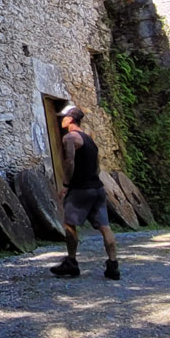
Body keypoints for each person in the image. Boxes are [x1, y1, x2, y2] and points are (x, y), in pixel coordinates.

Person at [49, 105, 120, 280]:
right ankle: (113, 265)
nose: (62, 120)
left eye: (64, 117)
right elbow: (96, 166)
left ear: (70, 119)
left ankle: (71, 262)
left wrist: (66, 184)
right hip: (97, 188)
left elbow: (69, 161)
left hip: (80, 189)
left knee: (69, 225)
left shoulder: (70, 138)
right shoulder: (89, 139)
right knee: (105, 227)